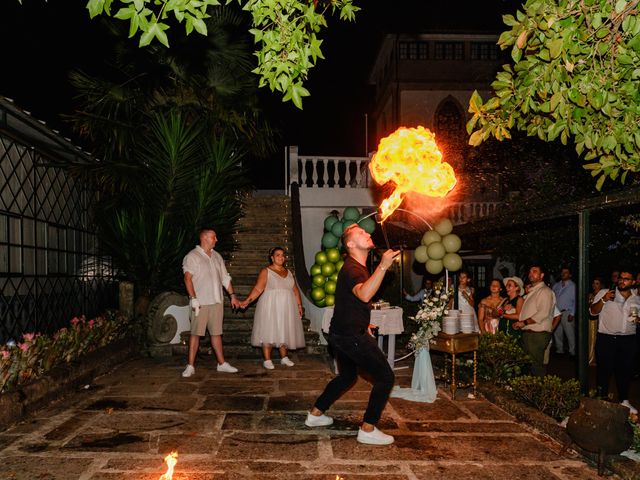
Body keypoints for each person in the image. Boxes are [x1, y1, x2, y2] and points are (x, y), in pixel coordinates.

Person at [305, 224, 399, 445]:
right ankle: (368, 428)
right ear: (350, 244)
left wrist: (364, 323)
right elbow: (364, 295)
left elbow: (352, 303)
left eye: (366, 232)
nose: (367, 233)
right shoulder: (353, 269)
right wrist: (383, 266)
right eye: (360, 233)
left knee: (347, 376)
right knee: (386, 377)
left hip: (340, 332)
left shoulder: (355, 266)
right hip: (349, 336)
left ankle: (315, 414)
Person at [181, 228, 240, 377]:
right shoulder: (192, 256)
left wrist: (232, 295)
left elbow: (225, 278)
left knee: (216, 334)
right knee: (195, 334)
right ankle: (190, 366)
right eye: (214, 237)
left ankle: (221, 364)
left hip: (216, 301)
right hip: (200, 302)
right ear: (205, 238)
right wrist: (193, 298)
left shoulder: (217, 256)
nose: (216, 240)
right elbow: (187, 279)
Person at [240, 247, 306, 369]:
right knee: (268, 330)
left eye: (283, 255)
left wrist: (299, 305)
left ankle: (284, 357)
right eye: (278, 255)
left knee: (284, 329)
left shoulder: (289, 272)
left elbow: (295, 291)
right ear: (272, 257)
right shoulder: (266, 271)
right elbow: (258, 289)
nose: (281, 257)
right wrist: (247, 301)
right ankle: (267, 359)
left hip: (287, 307)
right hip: (270, 305)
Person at [590, 269, 640, 414]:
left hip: (628, 340)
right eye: (620, 278)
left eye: (626, 278)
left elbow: (635, 320)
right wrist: (604, 299)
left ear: (633, 282)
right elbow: (592, 312)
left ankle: (624, 400)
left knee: (624, 372)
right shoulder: (605, 293)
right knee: (604, 371)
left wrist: (637, 319)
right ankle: (601, 399)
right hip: (607, 339)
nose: (622, 280)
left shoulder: (636, 299)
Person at [513, 264, 556, 377]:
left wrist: (524, 322)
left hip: (537, 334)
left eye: (535, 271)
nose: (531, 274)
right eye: (530, 271)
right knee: (527, 366)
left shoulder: (545, 291)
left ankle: (539, 393)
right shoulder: (533, 291)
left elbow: (543, 313)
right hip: (529, 333)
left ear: (541, 275)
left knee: (536, 367)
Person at [552, 266, 577, 356]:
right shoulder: (556, 285)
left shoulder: (573, 286)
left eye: (566, 272)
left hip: (567, 312)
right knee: (557, 332)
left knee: (569, 333)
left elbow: (576, 300)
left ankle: (572, 351)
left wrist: (572, 313)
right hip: (556, 312)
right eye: (562, 272)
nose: (563, 274)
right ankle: (559, 350)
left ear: (569, 275)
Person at [587, 277, 605, 366]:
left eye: (597, 283)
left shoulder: (603, 295)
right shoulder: (590, 295)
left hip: (599, 320)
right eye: (593, 283)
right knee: (590, 338)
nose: (594, 285)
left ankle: (593, 359)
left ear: (601, 285)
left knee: (595, 338)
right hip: (590, 320)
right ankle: (589, 357)